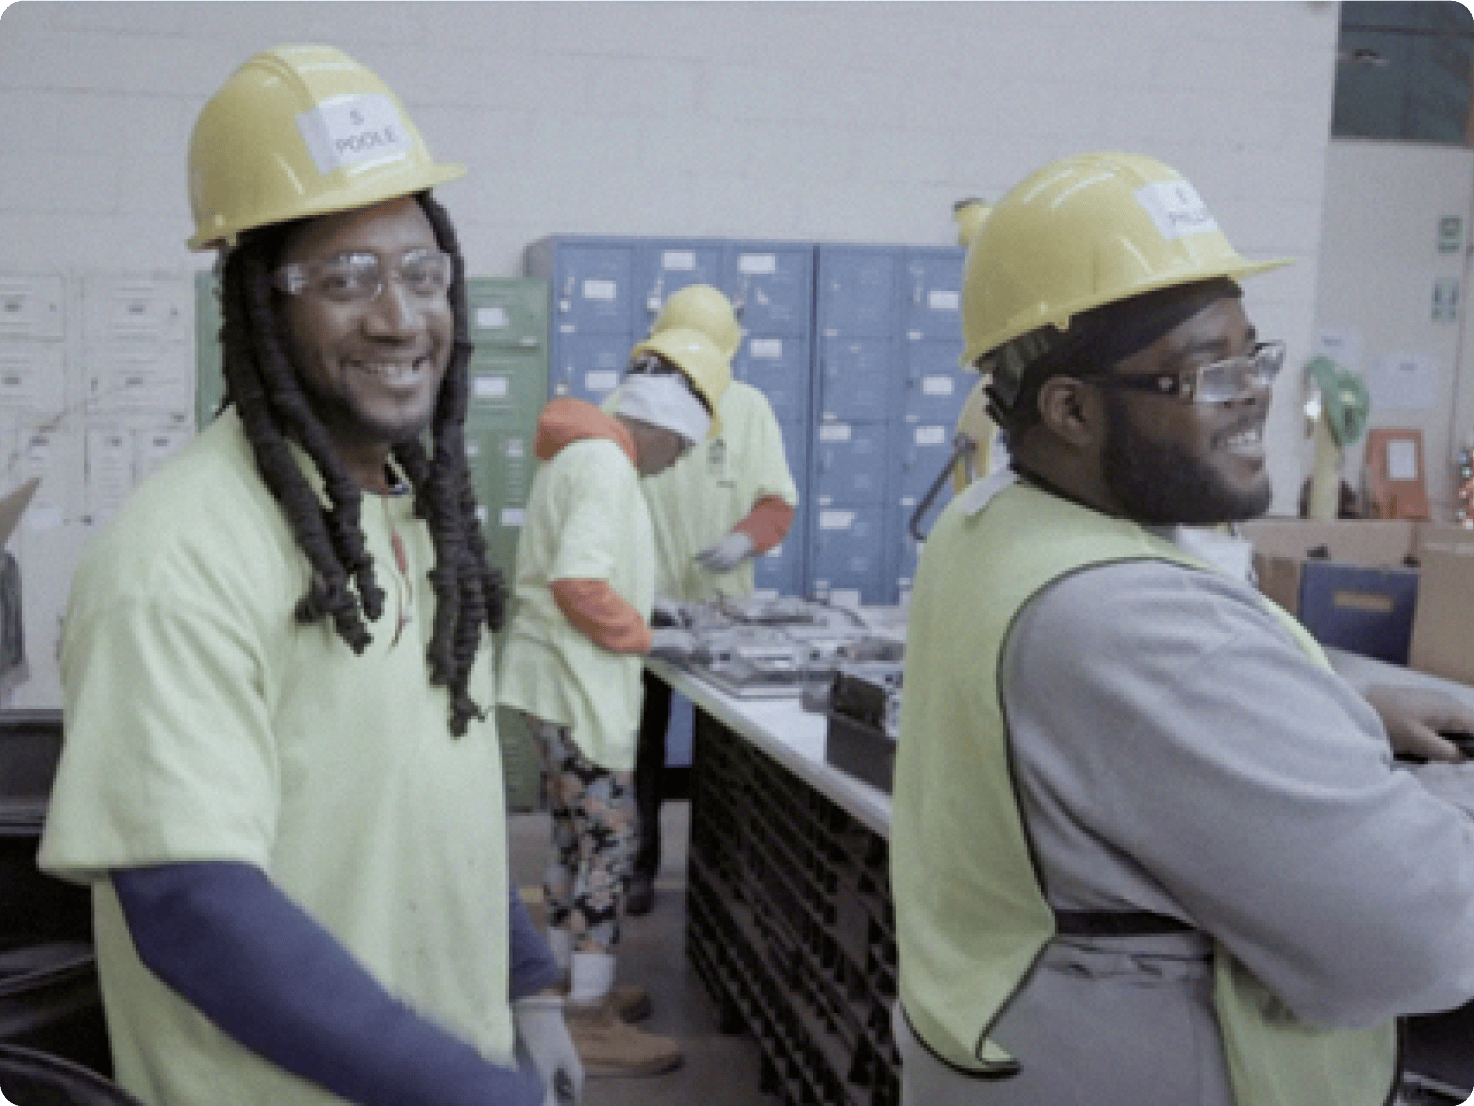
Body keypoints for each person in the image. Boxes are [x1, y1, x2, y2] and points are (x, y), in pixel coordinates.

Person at [37, 44, 580, 1106]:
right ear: (258, 300)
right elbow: (194, 905)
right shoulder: (174, 558)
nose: (398, 316)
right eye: (344, 278)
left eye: (422, 272)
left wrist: (526, 984)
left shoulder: (411, 519)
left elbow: (437, 788)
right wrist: (466, 1092)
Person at [889, 151, 1474, 1106]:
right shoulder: (1126, 620)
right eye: (1206, 371)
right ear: (1070, 409)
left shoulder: (990, 524)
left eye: (1254, 354)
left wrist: (1339, 715)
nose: (1253, 393)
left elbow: (1135, 741)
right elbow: (1419, 931)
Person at [498, 327, 730, 1077]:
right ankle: (587, 1016)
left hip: (549, 684)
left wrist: (641, 615)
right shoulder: (604, 464)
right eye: (683, 449)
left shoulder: (585, 454)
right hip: (575, 684)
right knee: (610, 844)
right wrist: (648, 638)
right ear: (664, 425)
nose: (679, 464)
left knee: (573, 839)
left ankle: (569, 985)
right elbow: (578, 584)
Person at [623, 284, 799, 917]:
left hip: (722, 622)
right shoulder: (631, 408)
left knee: (722, 765)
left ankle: (715, 883)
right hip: (641, 616)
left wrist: (742, 541)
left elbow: (778, 505)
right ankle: (636, 872)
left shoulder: (750, 409)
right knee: (637, 754)